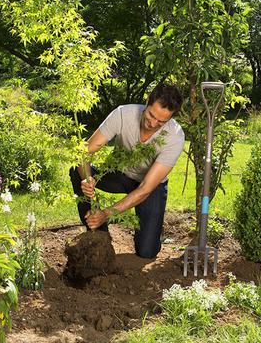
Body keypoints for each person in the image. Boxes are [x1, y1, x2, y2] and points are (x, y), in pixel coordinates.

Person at [69, 83, 185, 259]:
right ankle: (99, 233)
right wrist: (86, 179)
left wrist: (107, 213)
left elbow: (145, 188)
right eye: (151, 115)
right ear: (147, 102)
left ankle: (152, 229)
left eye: (161, 121)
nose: (153, 123)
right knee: (75, 170)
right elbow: (83, 153)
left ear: (170, 119)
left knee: (147, 251)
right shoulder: (123, 114)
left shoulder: (175, 137)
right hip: (119, 174)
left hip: (149, 185)